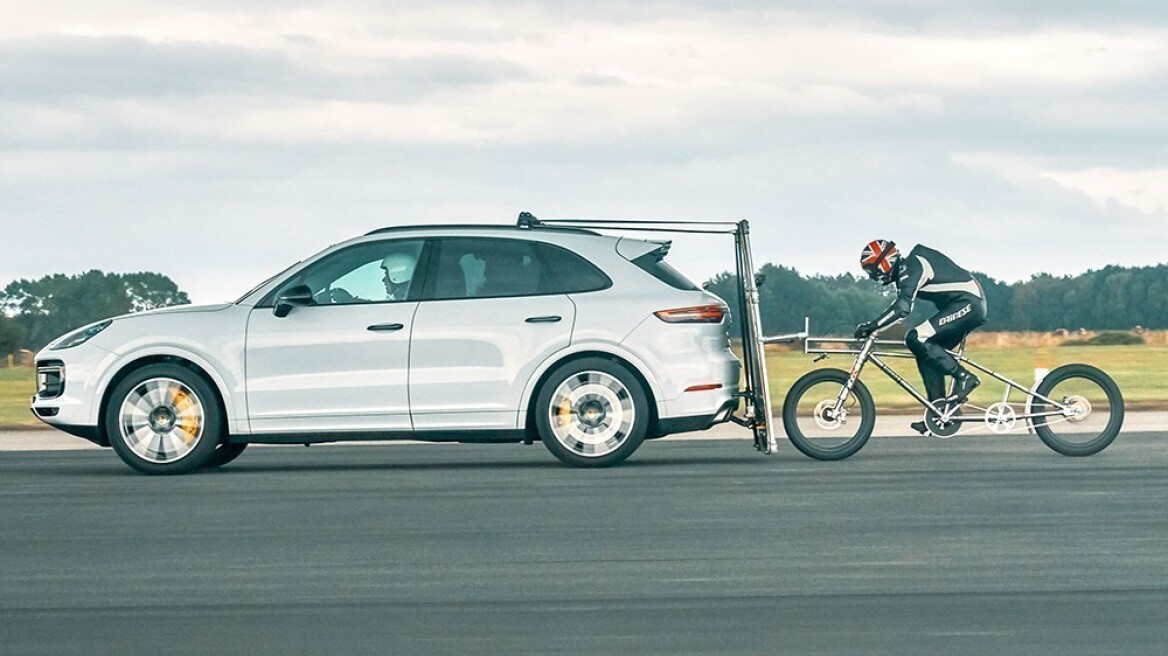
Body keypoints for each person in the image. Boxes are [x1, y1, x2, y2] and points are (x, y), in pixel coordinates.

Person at [854, 240, 987, 434]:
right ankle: (939, 414)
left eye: (873, 270)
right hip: (964, 304)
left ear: (885, 263)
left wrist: (871, 326)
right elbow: (901, 306)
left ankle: (965, 378)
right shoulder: (906, 273)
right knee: (925, 352)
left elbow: (902, 309)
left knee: (915, 338)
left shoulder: (913, 265)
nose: (874, 276)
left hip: (969, 303)